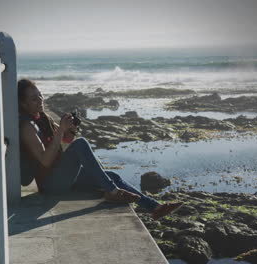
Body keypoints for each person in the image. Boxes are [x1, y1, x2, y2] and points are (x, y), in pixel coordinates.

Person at [18, 78, 181, 220]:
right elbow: (45, 161)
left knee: (112, 176)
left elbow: (66, 140)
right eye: (34, 98)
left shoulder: (42, 118)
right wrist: (61, 130)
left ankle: (155, 208)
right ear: (23, 104)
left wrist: (70, 129)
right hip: (51, 184)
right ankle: (112, 192)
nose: (40, 100)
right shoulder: (28, 127)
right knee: (81, 145)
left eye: (40, 94)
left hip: (65, 176)